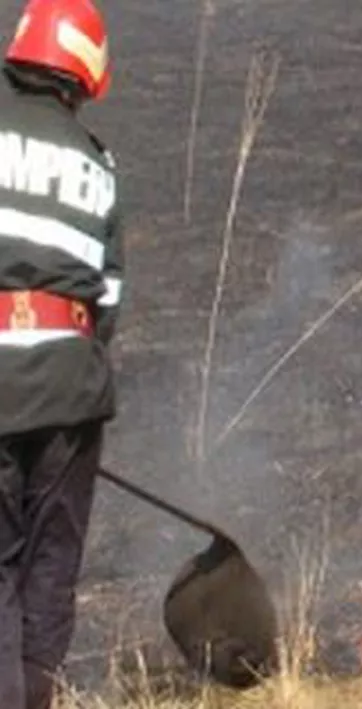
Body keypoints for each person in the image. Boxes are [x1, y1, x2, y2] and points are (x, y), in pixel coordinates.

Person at [0, 0, 123, 706]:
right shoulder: (98, 166)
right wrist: (68, 382)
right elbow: (107, 298)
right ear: (84, 74)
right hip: (73, 390)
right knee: (50, 565)